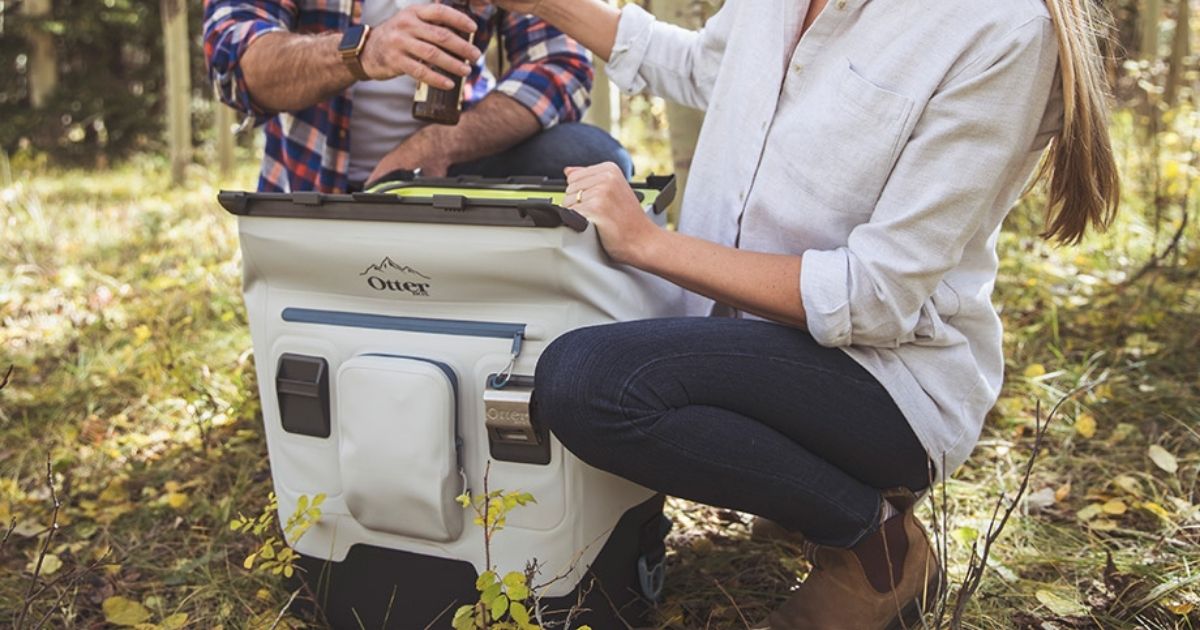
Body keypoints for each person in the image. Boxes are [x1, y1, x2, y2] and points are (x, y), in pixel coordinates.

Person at [486, 0, 1121, 627]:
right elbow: (702, 65)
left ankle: (876, 546)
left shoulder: (1002, 29)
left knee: (590, 381)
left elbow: (874, 294)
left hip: (887, 381)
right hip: (748, 345)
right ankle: (803, 493)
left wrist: (650, 244)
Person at [201, 0, 632, 193]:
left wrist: (437, 146)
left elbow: (561, 62)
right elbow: (237, 67)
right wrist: (363, 52)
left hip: (461, 168)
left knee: (592, 157)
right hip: (315, 181)